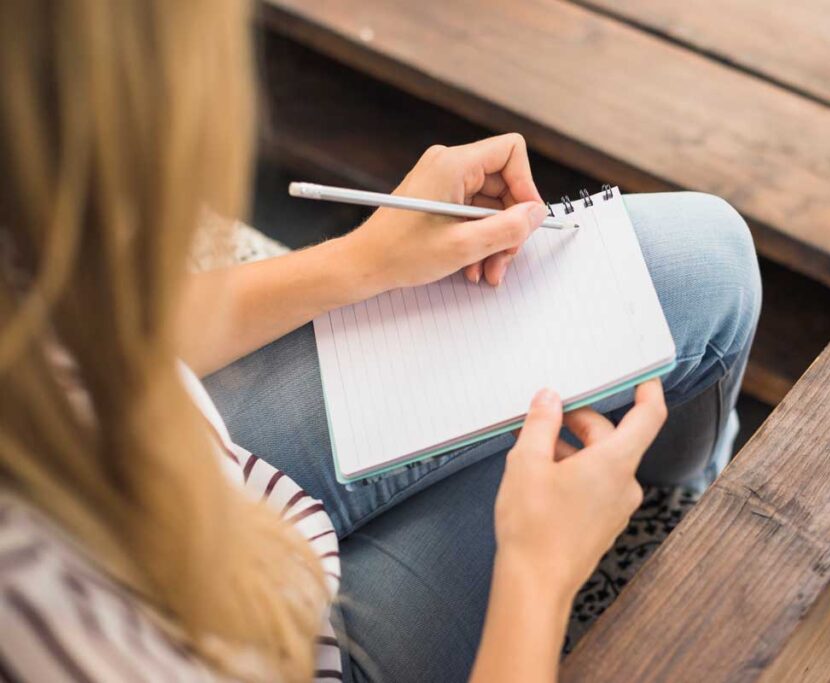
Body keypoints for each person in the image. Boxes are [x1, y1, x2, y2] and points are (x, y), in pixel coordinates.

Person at [0, 1, 760, 681]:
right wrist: (541, 576)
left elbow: (88, 327)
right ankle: (662, 509)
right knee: (663, 323)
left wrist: (361, 260)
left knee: (703, 258)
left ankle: (658, 487)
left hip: (207, 476)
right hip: (295, 651)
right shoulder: (42, 623)